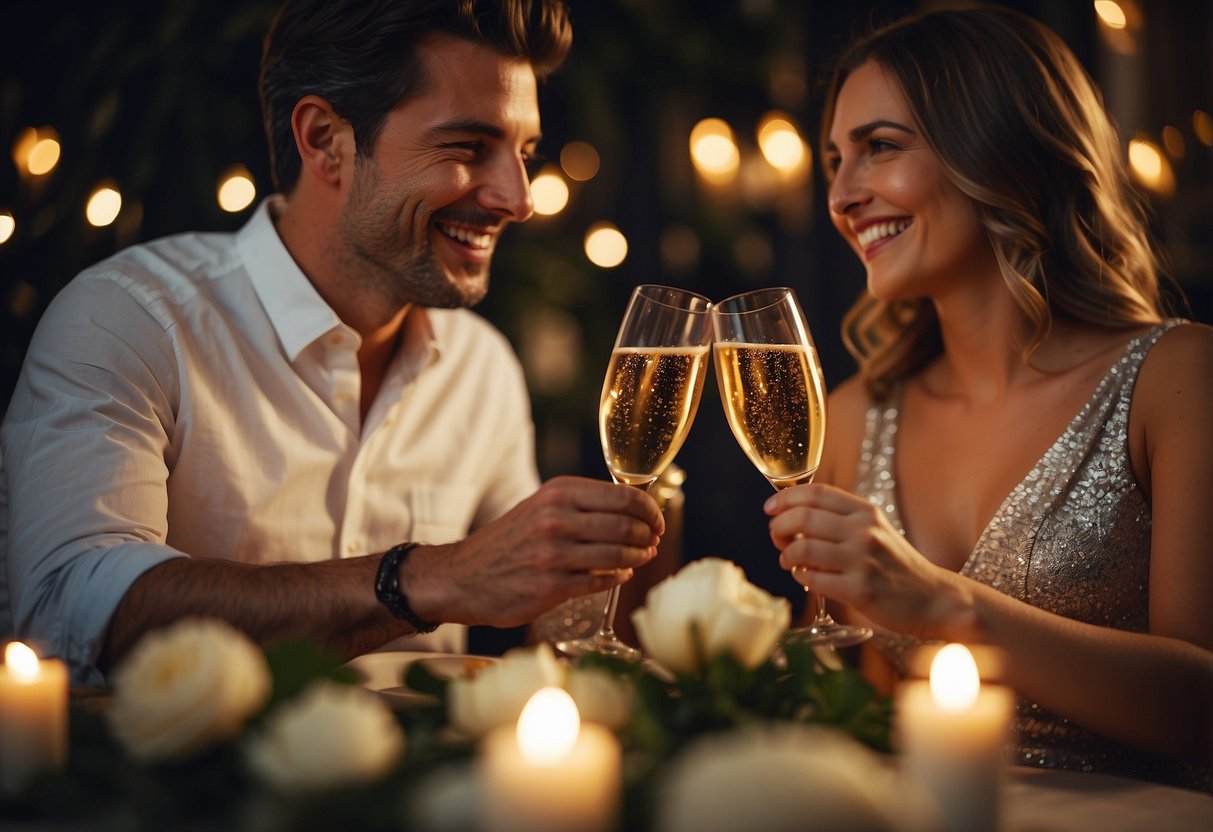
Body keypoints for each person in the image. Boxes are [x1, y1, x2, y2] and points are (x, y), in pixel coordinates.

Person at [0, 0, 665, 688]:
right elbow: (69, 609)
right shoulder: (129, 319)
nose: (517, 197)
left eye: (523, 154)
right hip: (175, 794)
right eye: (468, 147)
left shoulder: (481, 366)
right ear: (324, 141)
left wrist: (645, 557)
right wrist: (420, 580)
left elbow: (556, 622)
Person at [764, 5, 1213, 791]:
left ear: (996, 147)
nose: (840, 195)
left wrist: (946, 605)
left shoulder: (1176, 377)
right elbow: (846, 709)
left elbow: (1199, 706)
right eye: (833, 159)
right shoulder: (853, 414)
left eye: (878, 148)